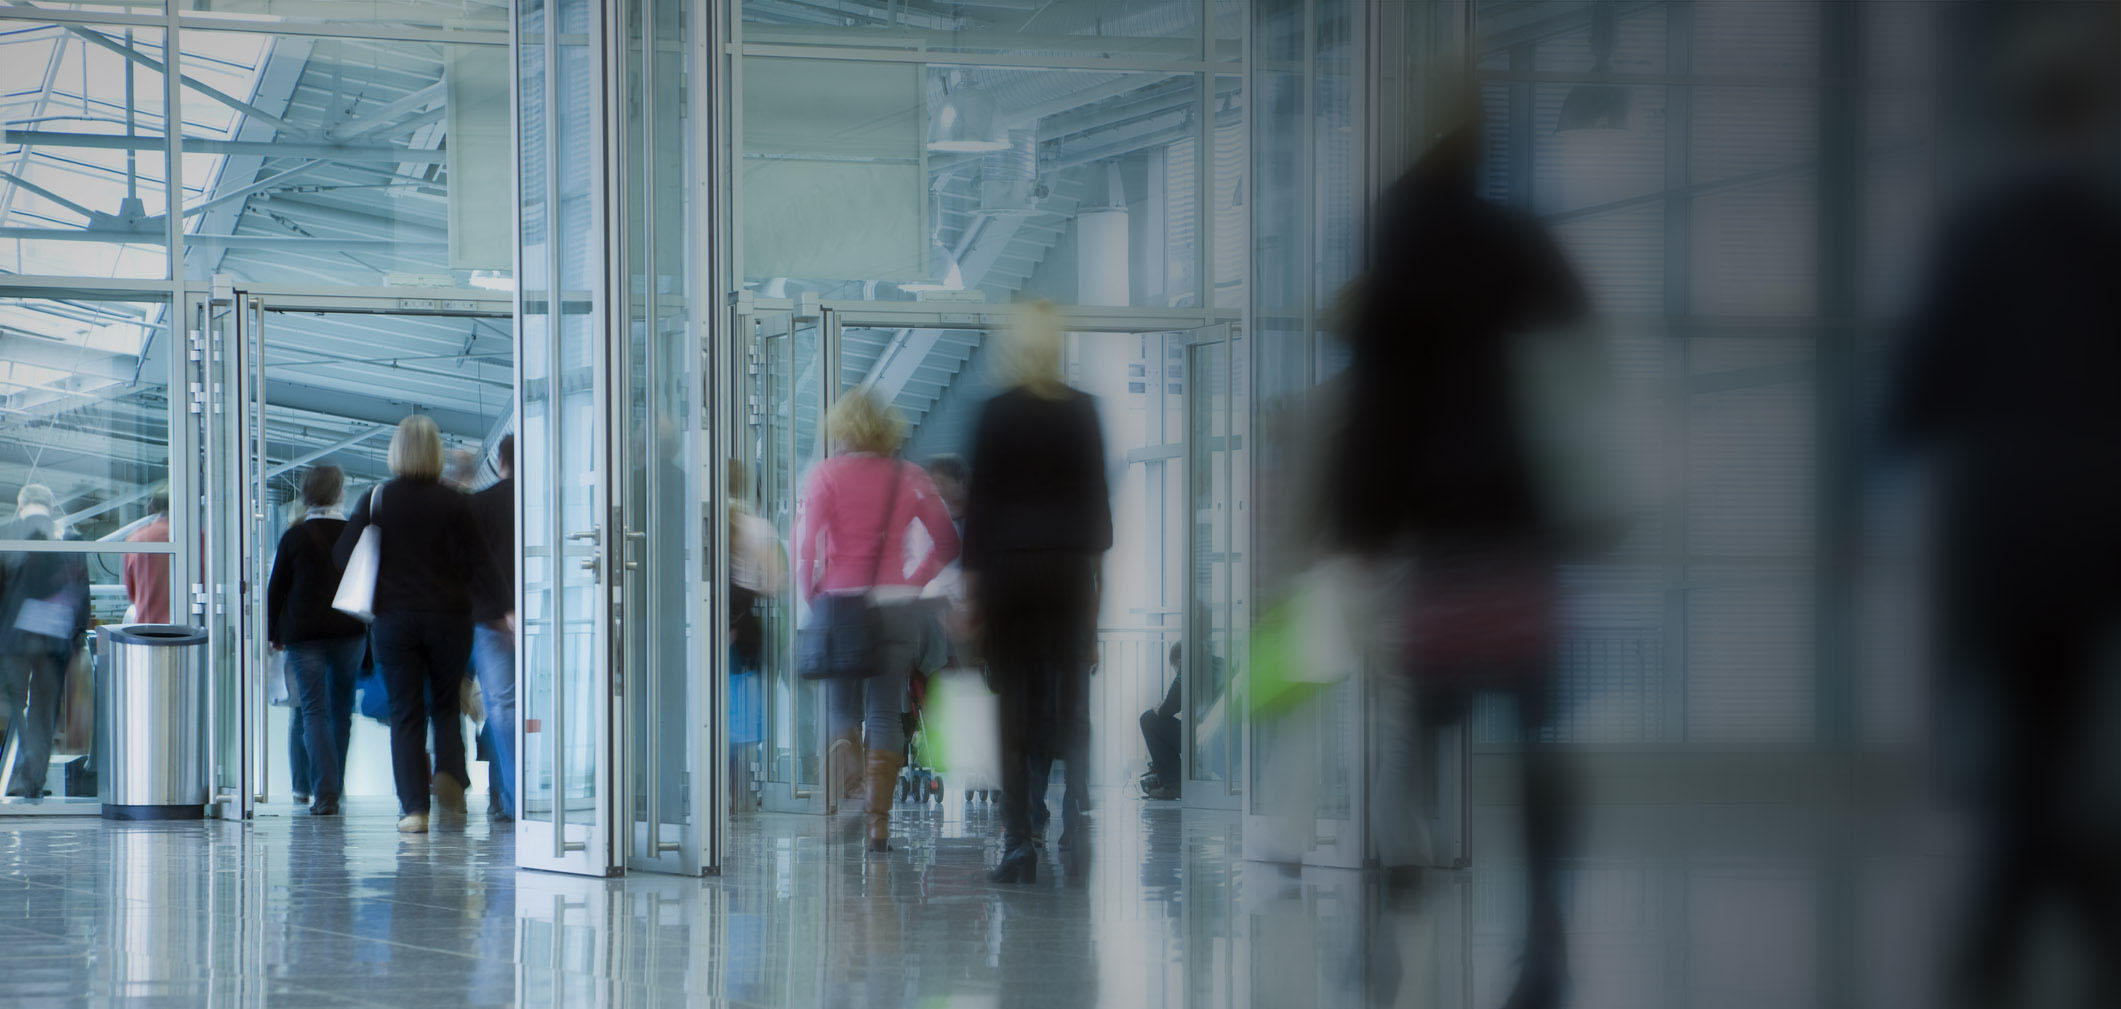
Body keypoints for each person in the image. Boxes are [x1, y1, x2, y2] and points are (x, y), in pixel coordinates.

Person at [1325, 99, 1589, 1009]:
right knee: (1538, 739)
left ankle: (1382, 916)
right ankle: (1544, 938)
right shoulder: (1519, 242)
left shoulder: (1396, 254)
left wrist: (1360, 527)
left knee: (1421, 729)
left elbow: (1375, 412)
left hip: (1439, 530)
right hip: (1519, 525)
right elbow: (1577, 353)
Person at [1894, 27, 2121, 1007]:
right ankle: (2058, 915)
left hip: (2002, 529)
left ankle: (2006, 938)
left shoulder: (1979, 236)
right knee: (2053, 733)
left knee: (2029, 737)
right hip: (2097, 526)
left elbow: (1921, 387)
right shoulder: (2111, 243)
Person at [964, 300, 1113, 883]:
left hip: (1009, 573)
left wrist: (974, 600)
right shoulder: (1084, 412)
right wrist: (1094, 612)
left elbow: (979, 511)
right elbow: (1099, 515)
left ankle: (1018, 840)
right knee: (1073, 703)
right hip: (1070, 573)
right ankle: (1079, 818)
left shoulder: (995, 412)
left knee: (1015, 708)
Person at [795, 387, 959, 852]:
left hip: (840, 606)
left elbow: (806, 549)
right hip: (899, 609)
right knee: (885, 710)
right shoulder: (911, 477)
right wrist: (910, 579)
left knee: (839, 710)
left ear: (842, 427)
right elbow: (948, 544)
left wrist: (815, 596)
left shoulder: (825, 475)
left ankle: (845, 801)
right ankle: (878, 823)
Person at [336, 416, 496, 834]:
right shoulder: (458, 503)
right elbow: (482, 564)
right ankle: (449, 777)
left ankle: (414, 810)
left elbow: (341, 556)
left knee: (406, 712)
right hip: (450, 618)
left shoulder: (377, 499)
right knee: (445, 705)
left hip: (395, 620)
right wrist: (499, 608)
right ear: (435, 453)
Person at [266, 466, 366, 817]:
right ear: (339, 493)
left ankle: (324, 792)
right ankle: (333, 787)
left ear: (306, 495)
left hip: (304, 636)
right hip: (349, 632)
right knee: (342, 712)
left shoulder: (294, 537)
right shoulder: (355, 534)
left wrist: (273, 635)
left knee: (313, 711)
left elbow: (275, 590)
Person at [0, 484, 91, 800]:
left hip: (12, 640)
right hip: (54, 642)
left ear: (20, 504)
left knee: (11, 705)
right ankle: (30, 779)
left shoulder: (6, 532)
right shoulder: (68, 536)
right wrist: (77, 639)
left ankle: (18, 770)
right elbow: (82, 593)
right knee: (42, 710)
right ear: (51, 507)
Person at [468, 436, 518, 825]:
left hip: (491, 622)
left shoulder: (479, 505)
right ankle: (513, 798)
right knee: (532, 712)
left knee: (501, 710)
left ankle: (506, 798)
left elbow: (472, 570)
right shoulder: (546, 502)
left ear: (500, 461)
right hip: (540, 619)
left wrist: (502, 611)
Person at [1139, 644, 1182, 800]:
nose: (1177, 673)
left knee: (1148, 719)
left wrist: (1157, 707)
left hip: (1205, 738)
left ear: (1179, 660)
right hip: (1216, 732)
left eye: (1176, 669)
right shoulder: (1216, 663)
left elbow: (1168, 708)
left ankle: (1174, 784)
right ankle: (1173, 780)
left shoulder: (1189, 667)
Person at [120, 492, 170, 624]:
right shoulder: (198, 537)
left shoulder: (135, 539)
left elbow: (132, 593)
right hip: (189, 629)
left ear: (151, 509)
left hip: (147, 627)